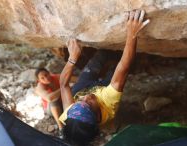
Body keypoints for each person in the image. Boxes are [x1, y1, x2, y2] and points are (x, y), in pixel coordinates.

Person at [59, 9, 150, 145]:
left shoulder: (71, 115)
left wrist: (72, 58)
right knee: (119, 68)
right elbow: (123, 67)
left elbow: (63, 85)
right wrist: (132, 33)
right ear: (96, 117)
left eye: (79, 102)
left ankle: (106, 52)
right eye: (89, 104)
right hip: (104, 91)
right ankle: (119, 55)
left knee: (97, 59)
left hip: (81, 87)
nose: (87, 97)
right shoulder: (109, 103)